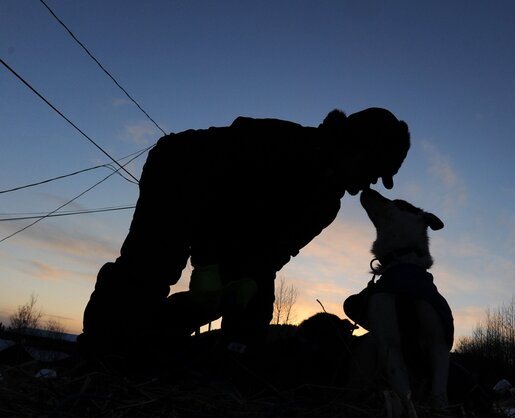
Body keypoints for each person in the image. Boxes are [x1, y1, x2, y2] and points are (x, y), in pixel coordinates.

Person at [78, 107, 410, 362]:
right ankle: (99, 352)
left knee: (241, 294)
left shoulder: (325, 206)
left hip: (225, 221)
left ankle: (178, 347)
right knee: (153, 265)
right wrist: (207, 261)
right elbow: (219, 199)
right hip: (181, 169)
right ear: (356, 149)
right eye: (372, 171)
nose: (367, 184)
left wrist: (251, 288)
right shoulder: (283, 145)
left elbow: (272, 254)